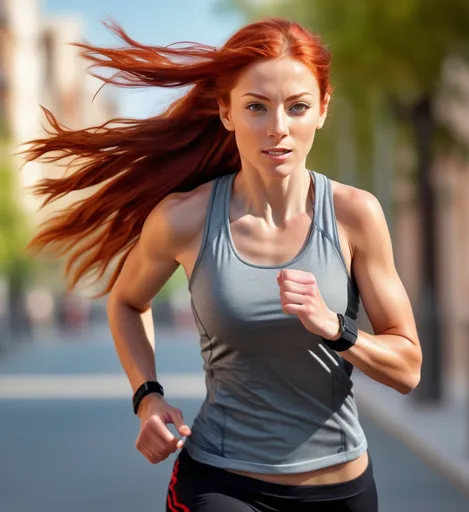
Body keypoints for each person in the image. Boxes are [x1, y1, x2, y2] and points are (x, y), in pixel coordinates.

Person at [22, 17, 422, 512]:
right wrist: (147, 396)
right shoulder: (185, 219)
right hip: (223, 484)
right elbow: (126, 301)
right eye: (256, 107)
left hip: (340, 490)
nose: (278, 129)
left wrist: (336, 328)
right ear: (226, 112)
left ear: (322, 110)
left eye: (297, 107)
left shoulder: (355, 216)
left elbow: (408, 368)